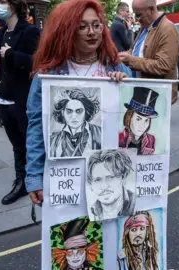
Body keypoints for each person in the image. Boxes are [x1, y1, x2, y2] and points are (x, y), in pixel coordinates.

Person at [25, 0, 131, 206]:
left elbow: (128, 124)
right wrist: (34, 176)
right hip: (66, 177)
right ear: (66, 31)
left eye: (96, 25)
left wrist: (125, 90)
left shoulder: (116, 69)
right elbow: (37, 128)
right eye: (82, 27)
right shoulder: (48, 76)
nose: (91, 32)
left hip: (108, 174)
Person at [0, 0, 41, 205]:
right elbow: (0, 64)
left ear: (14, 6)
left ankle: (28, 180)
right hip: (4, 96)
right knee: (16, 144)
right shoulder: (2, 32)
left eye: (3, 3)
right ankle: (22, 180)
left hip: (22, 98)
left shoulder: (29, 31)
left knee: (28, 142)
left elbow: (38, 62)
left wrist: (12, 54)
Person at [119, 0, 179, 104]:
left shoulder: (168, 29)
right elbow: (135, 50)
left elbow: (164, 65)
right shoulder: (145, 27)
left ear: (151, 9)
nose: (137, 19)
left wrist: (132, 61)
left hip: (157, 97)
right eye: (135, 14)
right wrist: (126, 55)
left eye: (139, 15)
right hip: (142, 93)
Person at [50, 88, 102, 158]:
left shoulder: (100, 133)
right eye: (69, 111)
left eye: (79, 111)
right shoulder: (53, 140)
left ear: (86, 112)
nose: (74, 116)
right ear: (62, 113)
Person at [86, 150, 135, 221]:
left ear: (123, 178)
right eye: (97, 180)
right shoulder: (91, 212)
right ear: (91, 185)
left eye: (110, 177)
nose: (104, 186)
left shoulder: (136, 204)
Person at [118, 87, 159, 155]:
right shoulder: (119, 138)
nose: (142, 125)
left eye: (146, 120)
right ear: (129, 117)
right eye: (138, 119)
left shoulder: (151, 140)